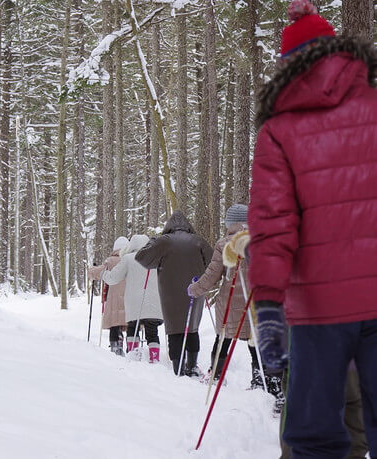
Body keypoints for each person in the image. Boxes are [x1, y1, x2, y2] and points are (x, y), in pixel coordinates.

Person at [247, 0, 377, 457]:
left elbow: (272, 228)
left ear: (288, 67)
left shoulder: (279, 131)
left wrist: (267, 307)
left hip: (319, 311)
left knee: (313, 438)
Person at [187, 205, 264, 386]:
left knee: (223, 338)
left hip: (230, 302)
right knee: (254, 340)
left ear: (230, 223)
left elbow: (212, 275)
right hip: (256, 301)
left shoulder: (224, 244)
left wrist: (195, 289)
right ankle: (260, 377)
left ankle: (216, 374)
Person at [135, 211, 212, 376]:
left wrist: (153, 241)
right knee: (192, 328)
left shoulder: (163, 242)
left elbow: (142, 258)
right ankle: (192, 366)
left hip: (170, 294)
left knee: (175, 329)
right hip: (195, 290)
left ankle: (178, 368)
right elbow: (213, 264)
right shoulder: (198, 241)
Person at [101, 235, 163, 363]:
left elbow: (113, 278)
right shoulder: (156, 259)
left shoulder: (128, 259)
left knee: (132, 328)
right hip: (154, 303)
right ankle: (154, 359)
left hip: (134, 303)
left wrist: (102, 273)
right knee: (152, 331)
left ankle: (134, 356)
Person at [88, 237, 129, 356]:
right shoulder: (132, 259)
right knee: (130, 323)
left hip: (114, 298)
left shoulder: (110, 261)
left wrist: (91, 271)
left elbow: (98, 272)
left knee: (114, 322)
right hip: (130, 298)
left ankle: (115, 345)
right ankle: (133, 347)